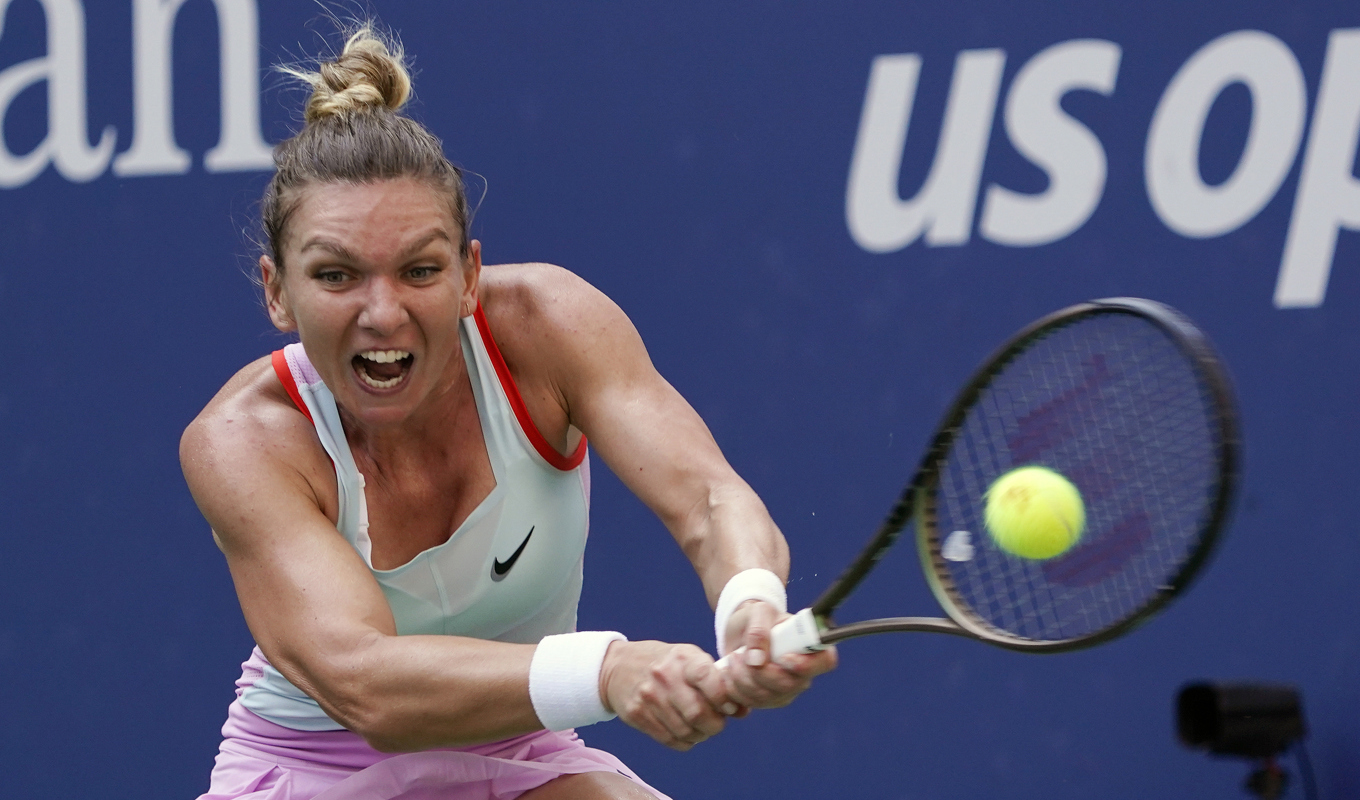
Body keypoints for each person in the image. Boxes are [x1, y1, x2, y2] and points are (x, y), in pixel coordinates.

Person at [180, 25, 836, 800]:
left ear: (468, 275)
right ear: (277, 292)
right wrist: (609, 670)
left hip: (523, 755)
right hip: (314, 769)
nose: (383, 313)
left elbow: (709, 496)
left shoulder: (548, 326)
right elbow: (367, 685)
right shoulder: (243, 442)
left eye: (420, 269)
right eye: (337, 275)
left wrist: (748, 600)